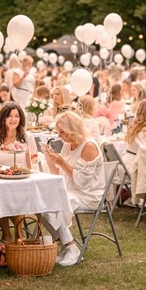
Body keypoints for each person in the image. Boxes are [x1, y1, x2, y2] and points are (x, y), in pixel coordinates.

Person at [43, 112, 105, 266]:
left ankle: (72, 248)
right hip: (70, 191)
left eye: (62, 131)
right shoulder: (68, 144)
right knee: (41, 205)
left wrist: (62, 162)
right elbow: (60, 177)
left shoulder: (89, 146)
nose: (59, 135)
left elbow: (83, 183)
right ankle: (65, 245)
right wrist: (51, 160)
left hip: (89, 195)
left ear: (72, 129)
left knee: (55, 205)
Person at [0, 102, 39, 242]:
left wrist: (29, 172)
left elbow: (33, 162)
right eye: (9, 116)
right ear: (3, 119)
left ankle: (18, 233)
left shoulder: (27, 138)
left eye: (17, 116)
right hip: (3, 180)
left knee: (7, 196)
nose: (13, 119)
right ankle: (8, 233)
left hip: (23, 180)